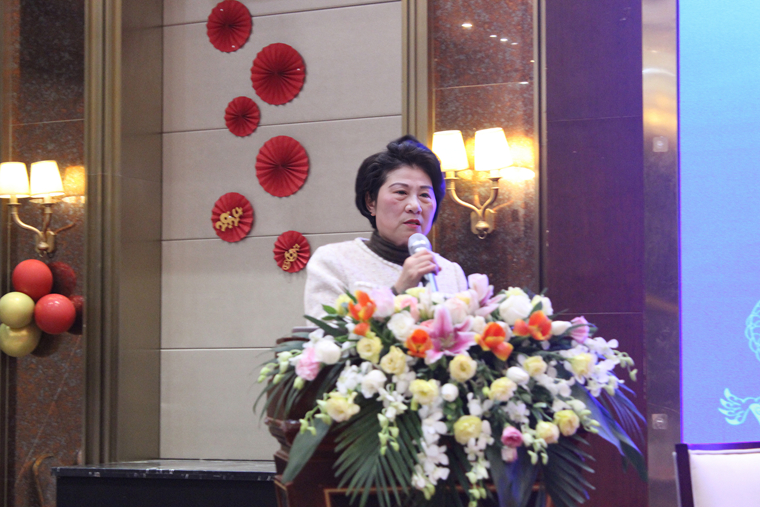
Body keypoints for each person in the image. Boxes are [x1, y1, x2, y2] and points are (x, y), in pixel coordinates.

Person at [304, 135, 468, 317]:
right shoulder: (334, 261)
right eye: (401, 192)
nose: (415, 206)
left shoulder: (451, 273)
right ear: (371, 202)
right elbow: (325, 332)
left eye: (424, 195)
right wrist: (398, 291)